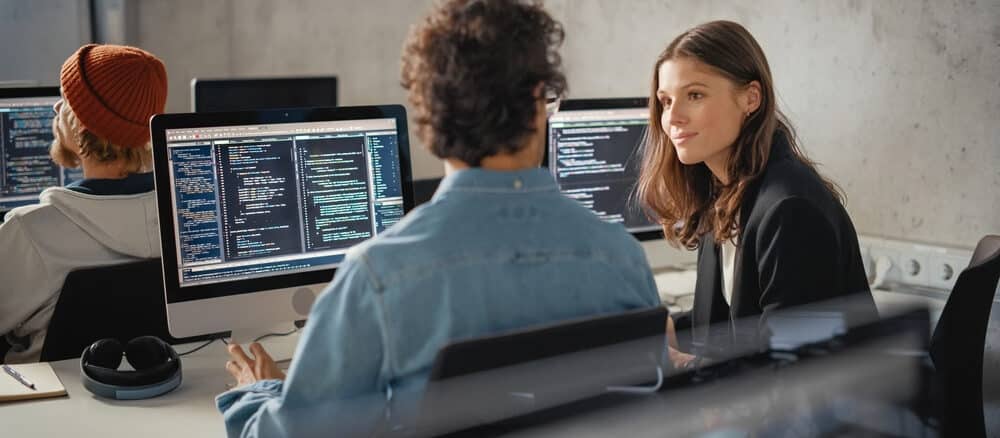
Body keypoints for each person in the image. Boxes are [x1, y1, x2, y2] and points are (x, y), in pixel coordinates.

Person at [216, 0, 662, 436]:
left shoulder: (380, 277)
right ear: (537, 103)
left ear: (429, 115)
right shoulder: (621, 258)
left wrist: (260, 393)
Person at [635, 21, 877, 361]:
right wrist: (665, 330)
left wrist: (676, 363)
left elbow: (792, 374)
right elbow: (731, 327)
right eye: (665, 101)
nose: (673, 117)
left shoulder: (790, 211)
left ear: (751, 98)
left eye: (695, 95)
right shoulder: (724, 194)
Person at [0, 44, 168, 364]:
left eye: (65, 102)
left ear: (80, 124)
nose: (56, 109)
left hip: (47, 404)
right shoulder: (187, 219)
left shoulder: (29, 232)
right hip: (154, 396)